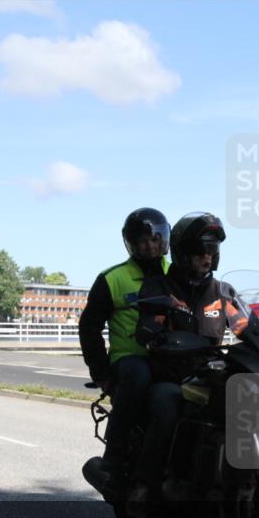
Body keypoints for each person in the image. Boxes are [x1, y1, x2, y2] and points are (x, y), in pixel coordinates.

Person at [127, 212, 247, 518]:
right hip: (171, 376)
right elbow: (148, 325)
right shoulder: (159, 287)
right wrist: (154, 332)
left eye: (212, 249)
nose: (207, 256)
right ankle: (144, 483)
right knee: (167, 403)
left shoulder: (222, 292)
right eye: (200, 249)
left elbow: (246, 326)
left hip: (211, 377)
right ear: (182, 252)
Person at [79, 208, 170, 496]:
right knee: (139, 375)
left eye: (155, 239)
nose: (150, 246)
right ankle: (114, 458)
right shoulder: (112, 279)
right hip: (129, 359)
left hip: (172, 357)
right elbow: (89, 328)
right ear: (131, 244)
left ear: (165, 239)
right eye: (143, 241)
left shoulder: (177, 274)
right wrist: (101, 374)